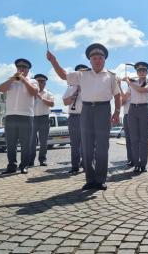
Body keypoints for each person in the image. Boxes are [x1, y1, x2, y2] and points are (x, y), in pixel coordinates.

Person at [47, 43, 120, 190]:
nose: (97, 60)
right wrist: (54, 61)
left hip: (103, 109)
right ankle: (90, 179)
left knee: (102, 146)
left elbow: (117, 94)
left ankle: (100, 179)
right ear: (90, 60)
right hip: (86, 110)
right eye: (94, 58)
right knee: (86, 146)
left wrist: (117, 111)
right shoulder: (82, 74)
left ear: (104, 60)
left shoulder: (111, 76)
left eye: (100, 57)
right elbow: (63, 75)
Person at [0, 59, 39, 174]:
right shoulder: (10, 81)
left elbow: (34, 93)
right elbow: (1, 89)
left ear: (28, 70)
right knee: (10, 143)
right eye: (19, 67)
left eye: (24, 67)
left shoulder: (33, 81)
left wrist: (24, 80)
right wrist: (12, 79)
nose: (21, 69)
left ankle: (24, 165)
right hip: (11, 115)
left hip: (26, 116)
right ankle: (11, 166)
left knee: (25, 143)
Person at [125, 62, 148, 173]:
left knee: (144, 139)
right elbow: (126, 97)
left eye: (144, 70)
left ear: (146, 72)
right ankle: (136, 164)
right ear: (137, 72)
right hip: (132, 110)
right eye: (139, 71)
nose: (142, 72)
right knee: (134, 139)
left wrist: (128, 82)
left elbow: (142, 90)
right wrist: (118, 85)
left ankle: (143, 164)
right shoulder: (132, 83)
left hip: (144, 109)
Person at [63, 64, 90, 174]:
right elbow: (65, 102)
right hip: (73, 117)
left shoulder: (90, 86)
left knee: (87, 143)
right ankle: (75, 166)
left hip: (86, 117)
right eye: (78, 72)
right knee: (74, 144)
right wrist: (75, 93)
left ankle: (86, 164)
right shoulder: (70, 87)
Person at [30, 74, 54, 166]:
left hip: (44, 118)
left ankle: (42, 159)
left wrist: (41, 98)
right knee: (31, 141)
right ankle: (30, 160)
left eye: (42, 81)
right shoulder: (30, 92)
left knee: (43, 141)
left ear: (45, 83)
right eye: (38, 81)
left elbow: (52, 104)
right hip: (32, 118)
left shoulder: (48, 93)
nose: (40, 83)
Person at [118, 78, 133, 166]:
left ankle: (135, 158)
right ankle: (130, 158)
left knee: (134, 139)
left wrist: (119, 87)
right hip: (126, 115)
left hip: (133, 115)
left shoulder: (135, 91)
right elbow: (122, 102)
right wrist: (120, 87)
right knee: (128, 139)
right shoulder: (127, 92)